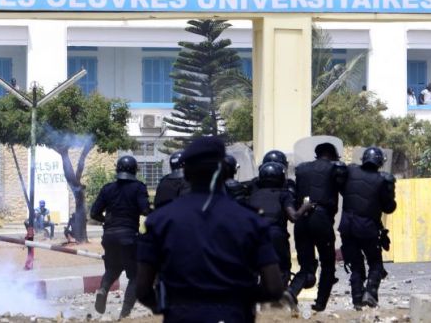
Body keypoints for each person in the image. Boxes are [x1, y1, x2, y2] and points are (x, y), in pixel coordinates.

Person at [135, 136, 285, 322]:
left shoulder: (160, 220)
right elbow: (274, 288)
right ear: (226, 171)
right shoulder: (250, 221)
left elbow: (142, 289)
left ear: (186, 174)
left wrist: (165, 304)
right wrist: (241, 299)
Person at [90, 155, 150, 319]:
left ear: (117, 169)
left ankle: (103, 290)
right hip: (128, 237)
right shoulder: (138, 187)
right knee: (135, 276)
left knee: (112, 269)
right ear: (134, 170)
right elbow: (145, 210)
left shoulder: (107, 188)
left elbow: (94, 213)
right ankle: (125, 313)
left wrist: (106, 221)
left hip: (108, 236)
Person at [337, 147, 397, 309]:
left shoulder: (350, 172)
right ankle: (370, 292)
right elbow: (389, 208)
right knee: (375, 264)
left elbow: (341, 188)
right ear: (379, 162)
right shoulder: (382, 180)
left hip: (347, 228)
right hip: (367, 228)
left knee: (356, 265)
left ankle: (357, 299)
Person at [289, 142, 343, 312]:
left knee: (306, 265)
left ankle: (291, 292)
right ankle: (320, 303)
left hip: (302, 218)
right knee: (327, 263)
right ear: (332, 155)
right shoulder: (335, 168)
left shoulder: (302, 169)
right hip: (321, 218)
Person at [247, 161, 310, 289]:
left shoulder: (253, 195)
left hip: (253, 237)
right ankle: (282, 300)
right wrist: (305, 207)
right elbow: (294, 217)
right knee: (283, 269)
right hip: (276, 236)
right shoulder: (283, 194)